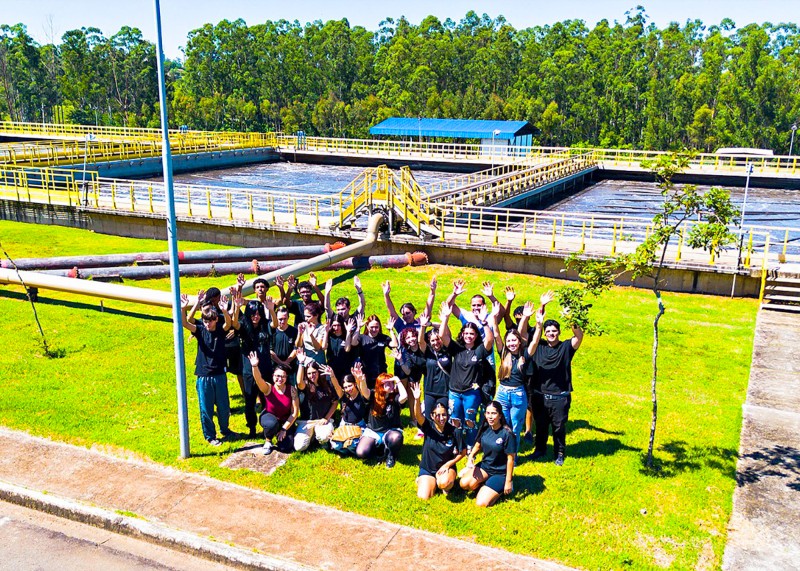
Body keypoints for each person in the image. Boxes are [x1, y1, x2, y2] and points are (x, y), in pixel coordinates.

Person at [180, 289, 239, 447]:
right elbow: (185, 323)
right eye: (205, 320)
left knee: (223, 406)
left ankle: (225, 430)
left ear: (215, 320)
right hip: (204, 375)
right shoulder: (199, 331)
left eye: (210, 320)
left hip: (220, 374)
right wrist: (185, 307)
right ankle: (210, 436)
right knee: (206, 409)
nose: (207, 323)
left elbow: (228, 324)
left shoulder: (220, 330)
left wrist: (225, 311)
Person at [439, 299, 497, 448]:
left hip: (471, 393)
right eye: (466, 333)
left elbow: (490, 341)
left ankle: (471, 446)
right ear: (462, 334)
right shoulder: (457, 349)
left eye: (472, 334)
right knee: (455, 420)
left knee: (470, 421)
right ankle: (456, 444)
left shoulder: (479, 350)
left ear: (476, 335)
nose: (469, 336)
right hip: (454, 392)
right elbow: (443, 337)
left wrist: (484, 323)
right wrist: (445, 318)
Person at [530, 306, 584, 466]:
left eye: (554, 331)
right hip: (539, 395)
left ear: (559, 332)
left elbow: (579, 336)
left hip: (559, 396)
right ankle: (540, 450)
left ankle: (559, 453)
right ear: (544, 333)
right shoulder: (538, 346)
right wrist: (538, 322)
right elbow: (529, 337)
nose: (551, 334)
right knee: (540, 426)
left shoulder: (566, 347)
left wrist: (570, 317)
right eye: (548, 331)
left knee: (558, 427)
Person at [491, 301, 543, 452]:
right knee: (501, 425)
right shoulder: (503, 353)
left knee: (514, 427)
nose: (511, 343)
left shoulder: (525, 355)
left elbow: (535, 341)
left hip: (518, 394)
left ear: (519, 341)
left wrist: (539, 324)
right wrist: (494, 317)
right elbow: (496, 333)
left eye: (514, 340)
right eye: (509, 341)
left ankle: (512, 458)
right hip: (502, 393)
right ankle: (501, 454)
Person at [409, 382, 466, 500]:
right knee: (423, 497)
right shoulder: (428, 426)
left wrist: (448, 464)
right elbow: (418, 415)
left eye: (444, 415)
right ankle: (425, 480)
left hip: (446, 468)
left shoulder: (455, 431)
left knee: (443, 483)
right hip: (428, 468)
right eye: (438, 415)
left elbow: (463, 451)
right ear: (432, 415)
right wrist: (417, 399)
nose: (441, 418)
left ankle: (445, 483)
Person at [459, 401, 516, 507]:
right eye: (488, 413)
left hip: (500, 472)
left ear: (500, 415)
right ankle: (484, 484)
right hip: (485, 467)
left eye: (494, 413)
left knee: (481, 503)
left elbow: (510, 460)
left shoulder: (507, 434)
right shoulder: (485, 428)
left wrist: (509, 481)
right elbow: (477, 445)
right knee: (464, 484)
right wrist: (471, 457)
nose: (490, 416)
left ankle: (499, 489)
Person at [238, 295, 278, 438]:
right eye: (253, 313)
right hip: (249, 370)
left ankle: (270, 425)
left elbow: (274, 324)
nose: (256, 316)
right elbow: (235, 325)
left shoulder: (265, 324)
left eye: (258, 313)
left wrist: (271, 310)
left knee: (268, 398)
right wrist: (237, 307)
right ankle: (252, 428)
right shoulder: (243, 325)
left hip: (265, 368)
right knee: (250, 400)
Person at [248, 354, 300, 456]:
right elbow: (258, 380)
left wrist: (284, 429)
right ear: (273, 376)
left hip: (285, 420)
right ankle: (268, 440)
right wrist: (254, 366)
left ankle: (280, 432)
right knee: (272, 424)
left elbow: (295, 413)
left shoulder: (292, 390)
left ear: (286, 377)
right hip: (269, 416)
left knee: (286, 447)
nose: (280, 379)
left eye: (283, 376)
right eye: (277, 376)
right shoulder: (268, 388)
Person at [356, 372, 407, 468]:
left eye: (392, 383)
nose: (391, 385)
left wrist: (398, 381)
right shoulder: (373, 395)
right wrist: (362, 380)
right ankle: (380, 448)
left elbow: (404, 397)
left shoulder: (395, 397)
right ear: (380, 386)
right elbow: (364, 392)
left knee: (396, 437)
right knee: (361, 452)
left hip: (391, 431)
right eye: (388, 384)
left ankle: (391, 455)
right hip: (373, 432)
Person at [414, 310, 452, 424]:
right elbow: (420, 341)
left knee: (444, 418)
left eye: (438, 339)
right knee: (430, 418)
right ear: (429, 342)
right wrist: (422, 326)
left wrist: (430, 324)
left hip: (445, 391)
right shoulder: (427, 352)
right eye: (433, 340)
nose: (436, 342)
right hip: (430, 391)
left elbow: (445, 330)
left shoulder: (448, 349)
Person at [294, 357, 338, 451]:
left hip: (323, 421)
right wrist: (301, 363)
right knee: (299, 447)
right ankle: (312, 434)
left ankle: (322, 440)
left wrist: (326, 418)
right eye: (309, 373)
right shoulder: (304, 386)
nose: (312, 375)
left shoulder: (327, 384)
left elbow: (335, 402)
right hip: (307, 422)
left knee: (323, 437)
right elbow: (298, 382)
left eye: (314, 372)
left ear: (318, 372)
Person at [328, 362, 370, 455]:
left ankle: (351, 449)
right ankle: (347, 450)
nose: (348, 389)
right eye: (346, 387)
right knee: (336, 446)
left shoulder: (361, 396)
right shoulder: (344, 397)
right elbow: (337, 387)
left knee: (352, 445)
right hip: (345, 425)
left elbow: (362, 387)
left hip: (358, 425)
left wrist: (358, 377)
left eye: (350, 385)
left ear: (354, 384)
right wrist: (332, 375)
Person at [350, 314, 394, 389]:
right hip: (366, 374)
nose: (374, 329)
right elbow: (353, 343)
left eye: (376, 327)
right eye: (371, 327)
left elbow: (394, 345)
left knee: (381, 396)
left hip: (381, 373)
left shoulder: (383, 338)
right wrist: (358, 327)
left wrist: (391, 330)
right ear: (367, 327)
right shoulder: (362, 338)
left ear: (379, 327)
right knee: (367, 396)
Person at [326, 314, 358, 382]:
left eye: (338, 325)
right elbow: (323, 347)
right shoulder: (330, 336)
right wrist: (326, 332)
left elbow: (347, 349)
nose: (336, 328)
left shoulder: (347, 336)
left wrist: (348, 333)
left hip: (345, 369)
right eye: (334, 325)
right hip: (332, 368)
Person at [270, 306, 298, 385]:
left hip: (291, 367)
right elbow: (270, 350)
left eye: (285, 318)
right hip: (275, 367)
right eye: (280, 319)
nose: (282, 321)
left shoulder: (294, 331)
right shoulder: (272, 332)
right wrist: (281, 363)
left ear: (288, 317)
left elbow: (296, 348)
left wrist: (286, 362)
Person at [296, 301, 328, 366]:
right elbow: (298, 345)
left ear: (316, 316)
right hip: (306, 362)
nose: (305, 319)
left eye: (308, 316)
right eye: (305, 316)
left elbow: (318, 348)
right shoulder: (304, 326)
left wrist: (311, 335)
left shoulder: (321, 328)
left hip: (318, 361)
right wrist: (300, 333)